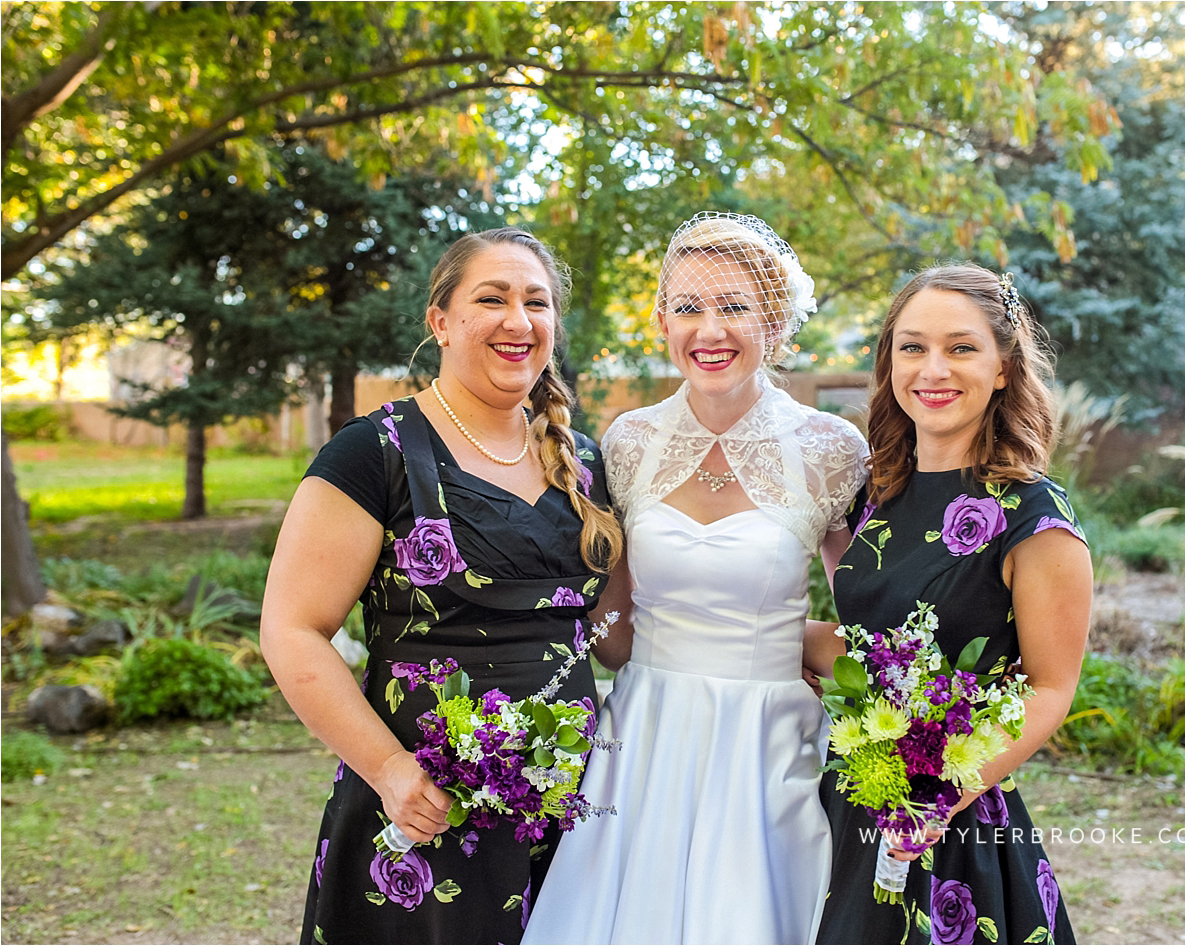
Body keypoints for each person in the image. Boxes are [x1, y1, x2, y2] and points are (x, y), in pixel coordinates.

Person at [262, 228, 622, 944]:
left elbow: (616, 632)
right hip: (422, 809)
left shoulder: (584, 463)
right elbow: (292, 628)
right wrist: (391, 770)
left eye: (537, 302)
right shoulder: (376, 451)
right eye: (492, 298)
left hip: (570, 813)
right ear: (442, 322)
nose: (518, 321)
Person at [521, 213, 868, 943]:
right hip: (644, 733)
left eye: (735, 307)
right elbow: (613, 631)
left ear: (775, 321)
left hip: (766, 743)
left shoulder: (832, 448)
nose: (709, 330)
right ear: (663, 322)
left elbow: (865, 615)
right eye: (688, 308)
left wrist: (797, 643)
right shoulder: (628, 442)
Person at [814, 263, 1092, 944]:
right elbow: (869, 642)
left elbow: (1052, 689)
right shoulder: (871, 496)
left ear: (1003, 367)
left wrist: (935, 794)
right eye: (912, 347)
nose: (933, 368)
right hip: (852, 795)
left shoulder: (1035, 515)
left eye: (961, 348)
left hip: (951, 812)